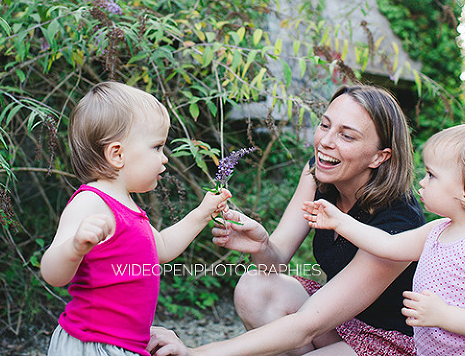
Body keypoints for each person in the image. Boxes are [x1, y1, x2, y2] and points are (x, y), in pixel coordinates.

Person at [148, 83, 427, 356]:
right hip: (339, 321)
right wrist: (261, 245)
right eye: (325, 125)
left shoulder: (398, 222)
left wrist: (196, 352)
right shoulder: (318, 173)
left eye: (347, 136)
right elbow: (276, 262)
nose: (325, 142)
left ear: (380, 156)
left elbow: (306, 326)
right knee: (255, 287)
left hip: (389, 339)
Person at [40, 81, 232, 356]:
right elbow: (51, 272)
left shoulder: (128, 207)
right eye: (156, 147)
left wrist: (201, 214)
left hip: (122, 344)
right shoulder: (91, 202)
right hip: (92, 344)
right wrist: (74, 248)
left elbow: (162, 247)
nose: (164, 159)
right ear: (117, 154)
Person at [302, 121, 465, 355]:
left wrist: (445, 315)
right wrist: (341, 221)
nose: (422, 181)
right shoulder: (438, 230)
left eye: (432, 175)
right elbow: (388, 244)